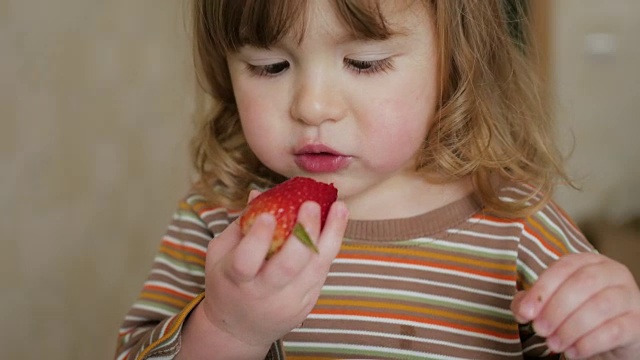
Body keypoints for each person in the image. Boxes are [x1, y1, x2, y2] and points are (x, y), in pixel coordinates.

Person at [115, 0, 640, 359]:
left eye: (364, 63)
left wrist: (616, 340)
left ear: (454, 63)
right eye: (270, 66)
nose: (311, 106)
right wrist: (228, 329)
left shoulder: (518, 223)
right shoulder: (217, 218)